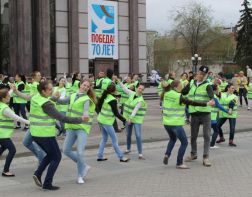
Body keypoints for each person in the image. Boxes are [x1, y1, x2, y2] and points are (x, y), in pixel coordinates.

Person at [29, 81, 87, 190]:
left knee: (51, 155)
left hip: (35, 133)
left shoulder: (36, 97)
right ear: (43, 91)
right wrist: (80, 119)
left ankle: (37, 174)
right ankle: (47, 183)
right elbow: (62, 118)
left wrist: (53, 98)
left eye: (52, 88)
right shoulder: (46, 104)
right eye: (50, 90)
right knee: (57, 156)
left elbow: (47, 101)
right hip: (45, 134)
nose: (53, 91)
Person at [161, 80, 215, 169]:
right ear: (175, 87)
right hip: (176, 123)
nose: (182, 87)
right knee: (184, 142)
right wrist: (207, 103)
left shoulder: (166, 93)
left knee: (172, 139)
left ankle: (167, 154)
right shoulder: (179, 96)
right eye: (180, 85)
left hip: (166, 123)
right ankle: (179, 163)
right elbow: (192, 103)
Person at [54, 79, 96, 184]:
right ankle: (84, 165)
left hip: (82, 128)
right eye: (84, 85)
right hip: (71, 127)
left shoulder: (86, 99)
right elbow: (62, 101)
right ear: (80, 85)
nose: (85, 87)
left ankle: (80, 175)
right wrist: (54, 97)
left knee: (80, 152)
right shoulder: (72, 95)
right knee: (66, 150)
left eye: (88, 86)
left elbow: (86, 111)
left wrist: (85, 115)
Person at [182, 65, 214, 167]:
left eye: (204, 74)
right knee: (193, 137)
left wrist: (212, 100)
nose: (201, 75)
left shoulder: (207, 85)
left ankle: (206, 157)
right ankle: (193, 154)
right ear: (197, 73)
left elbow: (212, 97)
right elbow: (183, 92)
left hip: (205, 114)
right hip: (194, 114)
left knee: (206, 136)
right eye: (200, 73)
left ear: (205, 75)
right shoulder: (191, 83)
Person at [0, 85, 30, 177]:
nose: (10, 97)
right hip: (3, 134)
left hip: (2, 134)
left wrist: (12, 90)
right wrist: (28, 122)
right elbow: (16, 117)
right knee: (12, 150)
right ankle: (6, 170)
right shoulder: (5, 109)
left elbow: (6, 94)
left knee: (2, 149)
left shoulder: (1, 104)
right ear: (4, 98)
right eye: (8, 97)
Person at [96, 84, 129, 162]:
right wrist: (125, 120)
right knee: (114, 140)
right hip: (107, 122)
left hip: (101, 120)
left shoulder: (105, 96)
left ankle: (100, 156)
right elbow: (116, 113)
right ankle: (121, 157)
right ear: (114, 91)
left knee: (104, 138)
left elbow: (98, 107)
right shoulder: (112, 100)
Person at [118, 79, 147, 160]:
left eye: (142, 89)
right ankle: (128, 149)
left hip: (136, 119)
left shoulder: (141, 100)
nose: (140, 90)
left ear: (143, 91)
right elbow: (124, 89)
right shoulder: (132, 93)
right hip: (128, 118)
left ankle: (140, 154)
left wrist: (131, 118)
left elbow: (135, 110)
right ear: (137, 88)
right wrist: (119, 81)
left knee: (138, 135)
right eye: (139, 88)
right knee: (128, 134)